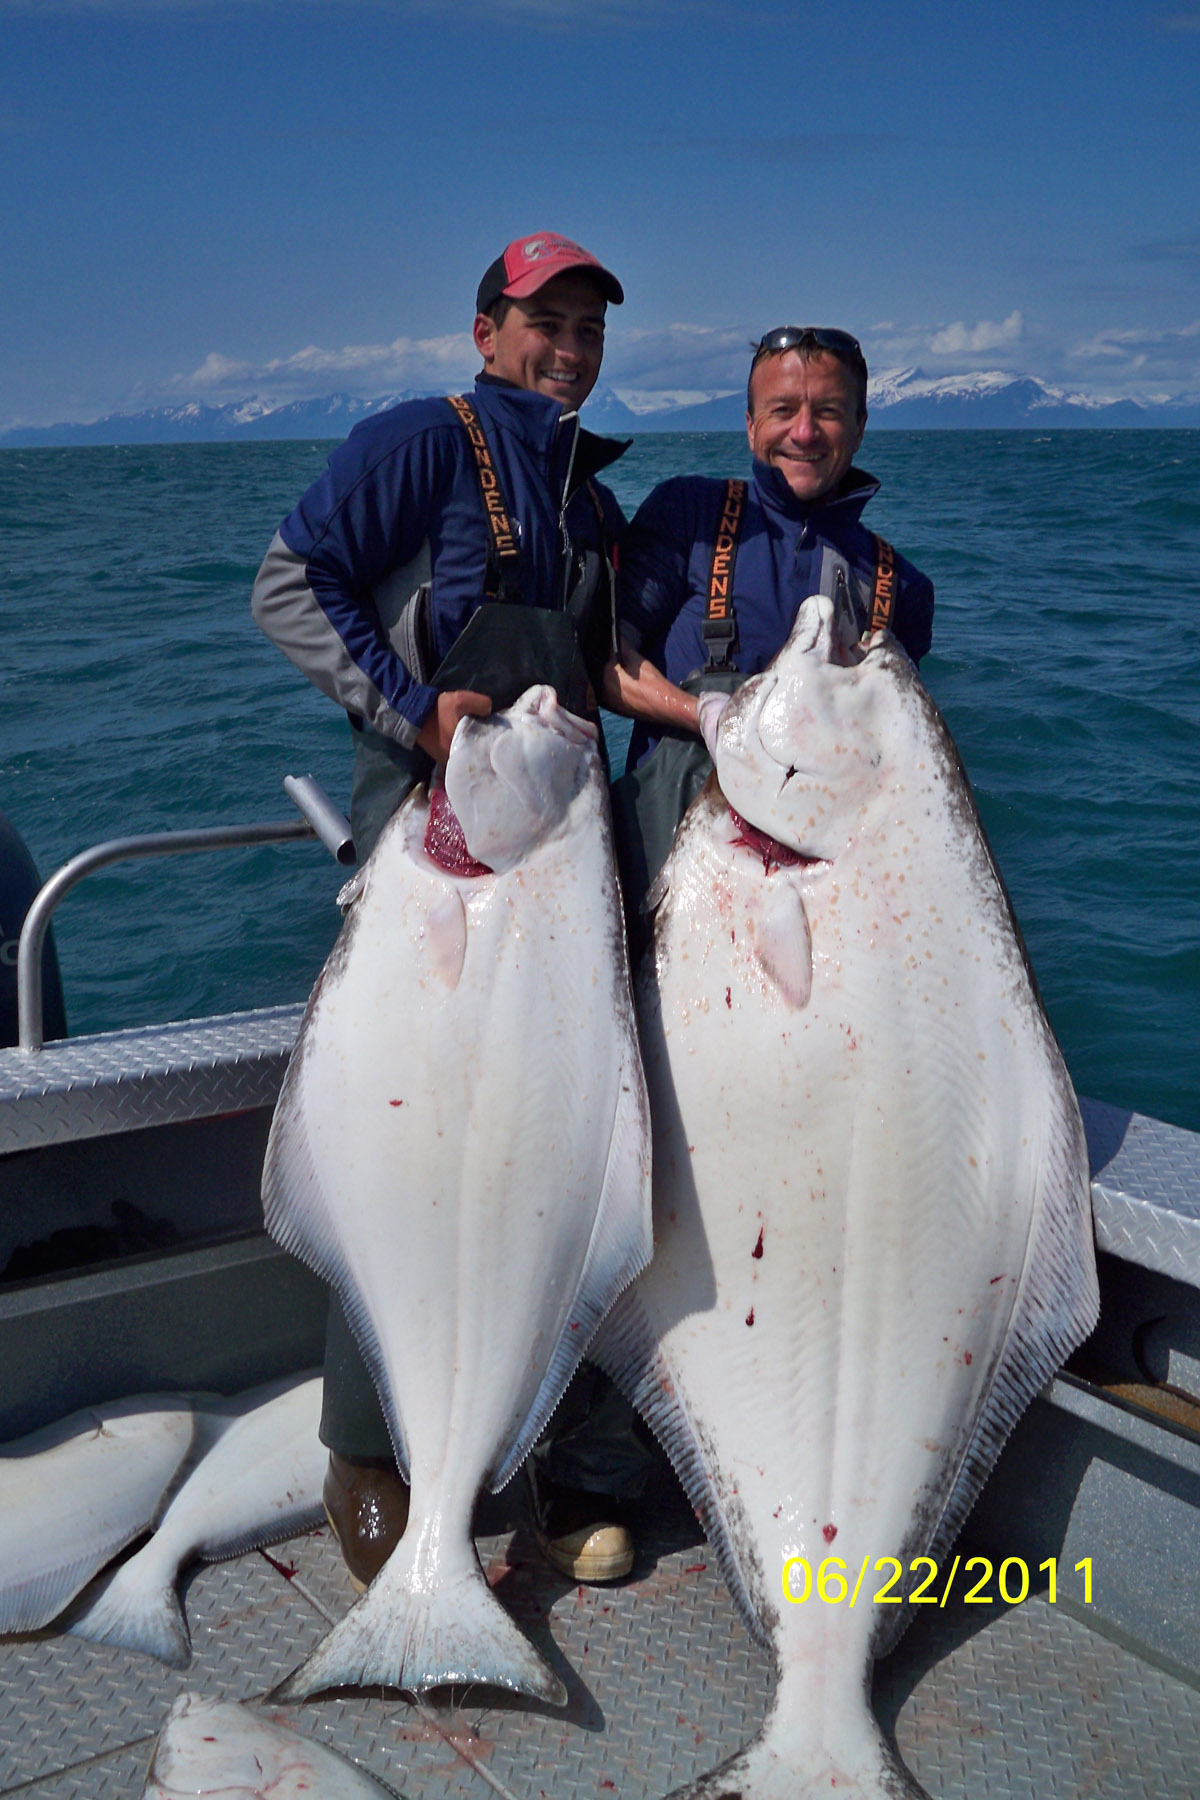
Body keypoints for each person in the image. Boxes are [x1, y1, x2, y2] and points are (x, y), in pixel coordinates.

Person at [251, 231, 649, 1590]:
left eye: (589, 327)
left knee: (542, 1159)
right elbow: (287, 586)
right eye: (546, 322)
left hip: (551, 879)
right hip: (429, 857)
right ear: (486, 332)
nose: (570, 347)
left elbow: (612, 674)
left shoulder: (591, 502)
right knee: (403, 1153)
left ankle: (515, 1456)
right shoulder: (425, 442)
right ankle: (365, 1463)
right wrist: (413, 708)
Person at [602, 325, 935, 921]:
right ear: (752, 424)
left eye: (828, 412)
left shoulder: (901, 587)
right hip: (667, 885)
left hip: (817, 905)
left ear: (859, 426)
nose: (803, 432)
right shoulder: (688, 513)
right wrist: (702, 713)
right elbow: (606, 669)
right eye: (783, 410)